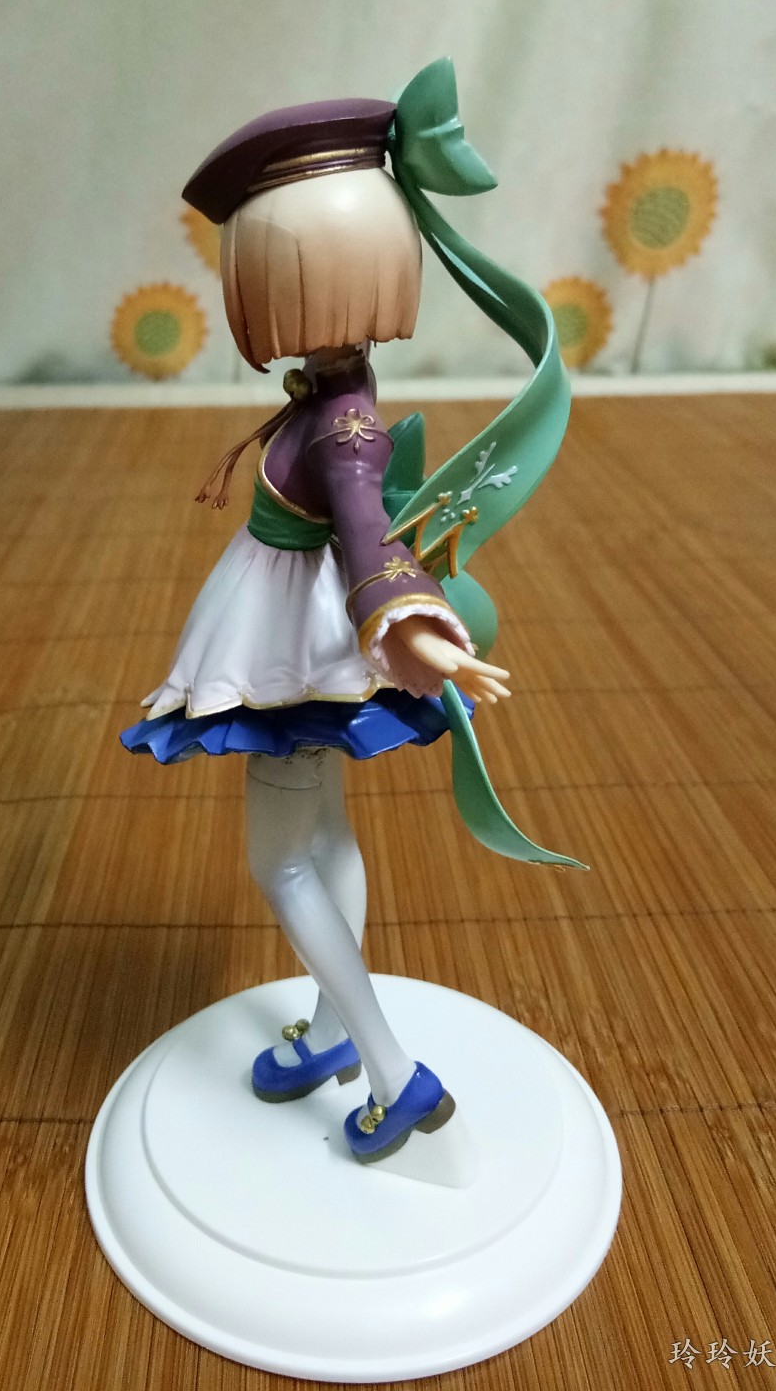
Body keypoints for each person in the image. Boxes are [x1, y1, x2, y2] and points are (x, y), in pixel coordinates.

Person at [122, 64, 576, 1164]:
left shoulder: (344, 428)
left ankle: (391, 1070)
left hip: (292, 656)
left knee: (282, 863)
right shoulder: (338, 396)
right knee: (324, 838)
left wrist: (415, 628)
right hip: (299, 643)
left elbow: (370, 539)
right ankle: (333, 1034)